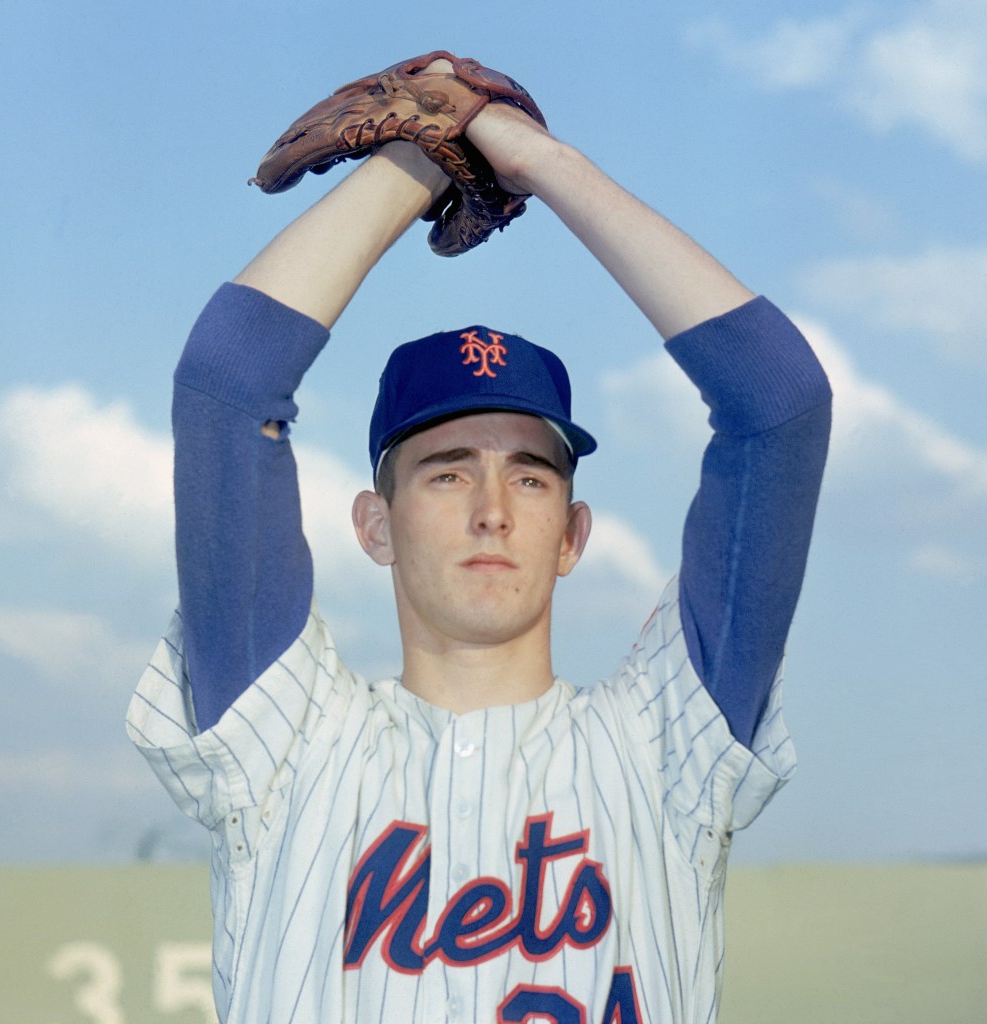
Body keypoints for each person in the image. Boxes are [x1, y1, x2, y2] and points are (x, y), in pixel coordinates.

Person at [128, 57, 831, 1024]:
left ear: (572, 535)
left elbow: (778, 407)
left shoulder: (667, 742)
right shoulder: (288, 742)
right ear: (375, 524)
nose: (492, 506)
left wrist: (531, 158)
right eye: (447, 470)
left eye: (531, 475)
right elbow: (226, 388)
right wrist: (420, 156)